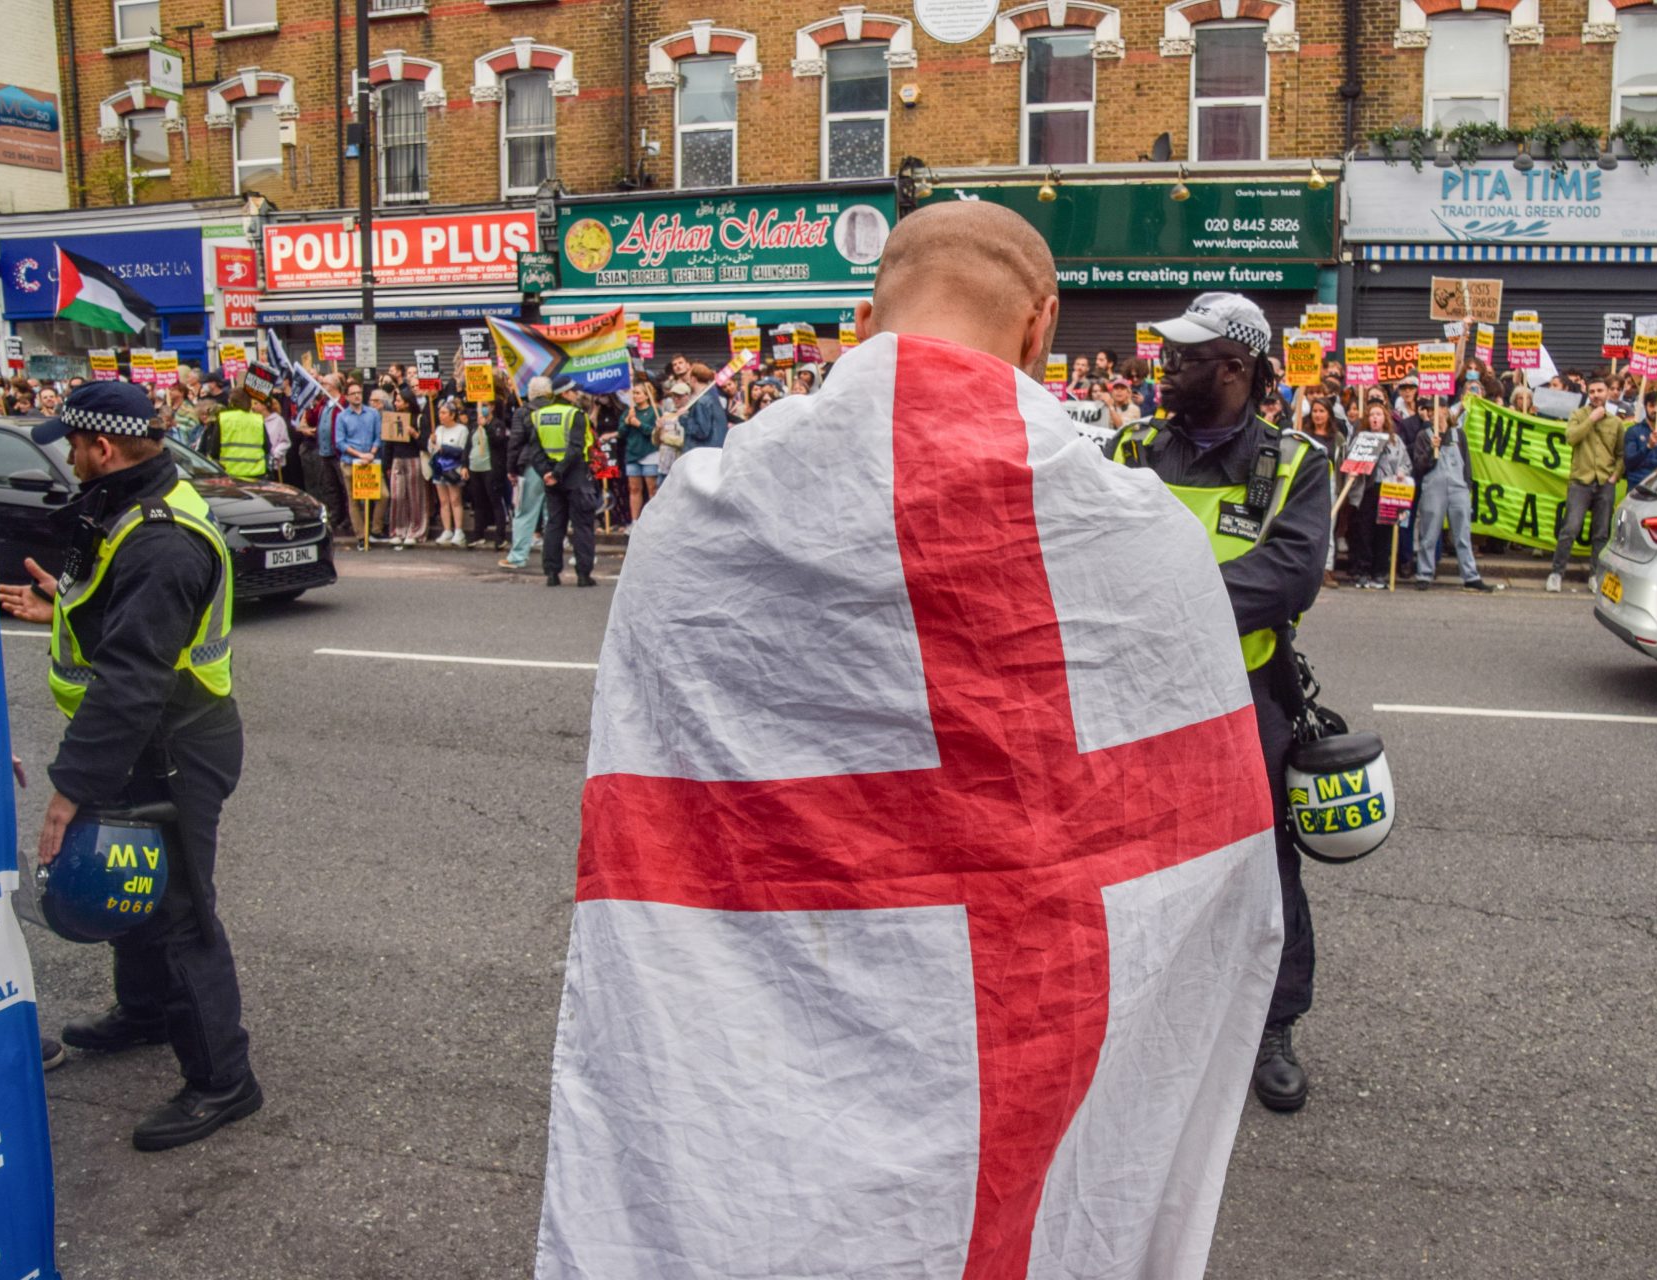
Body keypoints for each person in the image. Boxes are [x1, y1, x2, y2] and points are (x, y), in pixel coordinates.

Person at [538, 201, 1283, 1280]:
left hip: (797, 1029)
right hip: (1032, 1005)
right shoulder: (1142, 530)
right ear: (1042, 326)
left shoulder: (699, 515)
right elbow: (1211, 833)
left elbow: (660, 812)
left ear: (863, 314)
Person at [0, 382, 260, 1151]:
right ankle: (144, 1015)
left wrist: (68, 790)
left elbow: (134, 676)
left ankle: (223, 1079)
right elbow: (128, 617)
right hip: (152, 734)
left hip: (174, 741)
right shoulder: (130, 498)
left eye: (72, 443)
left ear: (102, 448)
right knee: (132, 885)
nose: (69, 454)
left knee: (180, 912)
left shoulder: (160, 536)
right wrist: (63, 607)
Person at [1110, 290, 1331, 1114]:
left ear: (1234, 369)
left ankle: (1272, 1026)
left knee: (1264, 868)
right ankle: (1149, 1011)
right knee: (1136, 858)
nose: (1162, 369)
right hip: (1139, 697)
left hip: (1244, 699)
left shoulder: (1299, 463)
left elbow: (1288, 578)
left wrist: (1164, 599)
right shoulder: (1132, 448)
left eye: (1183, 358)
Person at [1411, 402, 1499, 593]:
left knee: (1463, 534)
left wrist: (1466, 485)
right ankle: (1425, 573)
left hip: (1458, 487)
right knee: (1429, 533)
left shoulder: (1458, 435)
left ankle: (1470, 576)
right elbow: (1419, 466)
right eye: (1431, 411)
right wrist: (1431, 451)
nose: (1435, 414)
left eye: (1438, 409)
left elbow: (1466, 463)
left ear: (1445, 410)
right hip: (1434, 487)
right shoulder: (1423, 436)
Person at [1549, 375, 1627, 594]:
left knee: (1601, 532)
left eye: (1600, 391)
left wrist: (1615, 475)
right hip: (1581, 481)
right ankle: (1556, 573)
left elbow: (1621, 454)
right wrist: (1591, 419)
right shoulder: (1578, 415)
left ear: (1607, 393)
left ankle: (1595, 575)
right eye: (1592, 392)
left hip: (1605, 482)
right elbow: (1571, 437)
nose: (1596, 395)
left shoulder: (1616, 422)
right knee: (1570, 528)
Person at [529, 379, 599, 587]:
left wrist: (547, 473)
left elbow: (535, 450)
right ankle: (583, 575)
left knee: (554, 525)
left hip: (552, 478)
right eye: (574, 391)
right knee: (583, 526)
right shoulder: (575, 415)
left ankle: (552, 573)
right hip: (575, 476)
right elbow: (576, 448)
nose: (577, 394)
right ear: (566, 393)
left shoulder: (538, 416)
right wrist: (559, 472)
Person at [1345, 400, 1411, 590]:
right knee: (1364, 532)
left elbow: (1405, 462)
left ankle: (1379, 572)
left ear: (1385, 418)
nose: (1375, 418)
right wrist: (1352, 470)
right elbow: (1350, 460)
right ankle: (1363, 571)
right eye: (1372, 415)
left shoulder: (1395, 441)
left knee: (1384, 533)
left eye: (1379, 415)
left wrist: (1401, 472)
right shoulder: (1361, 439)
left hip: (1388, 488)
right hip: (1367, 489)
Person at [500, 379, 550, 570]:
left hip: (531, 465)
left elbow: (515, 442)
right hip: (555, 465)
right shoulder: (557, 409)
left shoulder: (523, 412)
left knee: (525, 511)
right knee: (552, 513)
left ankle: (518, 556)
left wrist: (511, 469)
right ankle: (552, 556)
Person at [336, 383, 386, 539]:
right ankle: (361, 536)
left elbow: (378, 436)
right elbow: (340, 442)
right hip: (351, 462)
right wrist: (359, 455)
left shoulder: (373, 414)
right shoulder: (342, 416)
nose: (357, 395)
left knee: (384, 495)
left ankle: (376, 529)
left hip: (371, 461)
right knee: (354, 500)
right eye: (353, 393)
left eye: (359, 392)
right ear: (347, 397)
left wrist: (371, 453)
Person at [386, 387, 430, 547]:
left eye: (399, 401)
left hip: (413, 459)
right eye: (395, 401)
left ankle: (416, 530)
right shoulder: (392, 417)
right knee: (397, 496)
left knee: (415, 496)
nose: (396, 403)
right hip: (397, 459)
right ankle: (398, 529)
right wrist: (387, 464)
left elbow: (425, 444)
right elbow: (388, 443)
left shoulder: (419, 418)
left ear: (407, 403)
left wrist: (415, 434)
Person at [429, 397, 471, 547]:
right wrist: (432, 442)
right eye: (440, 413)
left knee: (455, 500)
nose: (441, 416)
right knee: (444, 501)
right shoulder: (438, 430)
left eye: (444, 413)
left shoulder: (462, 430)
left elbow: (462, 449)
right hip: (439, 469)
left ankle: (459, 530)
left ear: (452, 415)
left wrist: (444, 448)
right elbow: (431, 450)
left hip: (454, 468)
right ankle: (447, 529)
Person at [465, 400, 507, 549]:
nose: (482, 408)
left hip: (490, 468)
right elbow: (468, 446)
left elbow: (498, 441)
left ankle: (500, 536)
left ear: (492, 407)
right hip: (475, 468)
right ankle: (478, 534)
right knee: (478, 503)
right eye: (480, 405)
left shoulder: (497, 424)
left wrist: (487, 426)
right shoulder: (474, 425)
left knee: (495, 501)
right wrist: (465, 465)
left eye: (486, 405)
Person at [206, 388, 270, 480]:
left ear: (231, 402)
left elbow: (214, 449)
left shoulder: (224, 419)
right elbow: (267, 447)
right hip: (256, 472)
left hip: (230, 472)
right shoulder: (258, 419)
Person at [1624, 388, 1657, 487]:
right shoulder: (1633, 431)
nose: (1655, 410)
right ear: (1645, 407)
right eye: (1651, 406)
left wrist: (1646, 463)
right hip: (1637, 484)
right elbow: (1629, 462)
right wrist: (1648, 446)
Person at [623, 382, 660, 520]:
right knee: (634, 489)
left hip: (650, 454)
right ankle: (634, 520)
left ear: (646, 395)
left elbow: (655, 432)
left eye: (638, 393)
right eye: (633, 393)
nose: (635, 396)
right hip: (632, 455)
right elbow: (621, 433)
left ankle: (653, 520)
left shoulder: (654, 411)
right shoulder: (629, 411)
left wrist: (639, 424)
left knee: (652, 490)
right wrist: (627, 421)